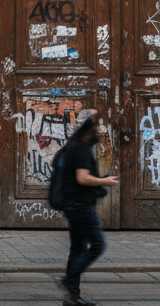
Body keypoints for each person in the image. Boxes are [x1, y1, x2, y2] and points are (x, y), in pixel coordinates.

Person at [53, 110, 118, 306]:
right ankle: (70, 278)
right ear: (88, 129)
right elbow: (83, 178)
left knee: (78, 248)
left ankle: (73, 297)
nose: (101, 130)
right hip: (81, 206)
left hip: (72, 204)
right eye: (97, 126)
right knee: (98, 245)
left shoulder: (72, 147)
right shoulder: (81, 148)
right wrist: (104, 181)